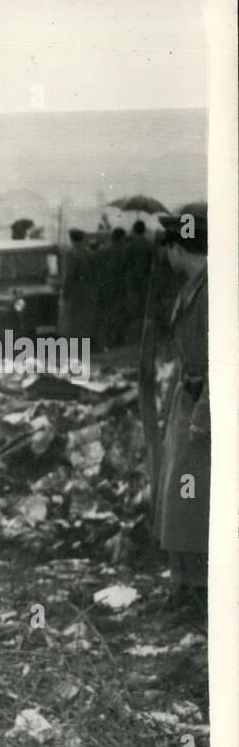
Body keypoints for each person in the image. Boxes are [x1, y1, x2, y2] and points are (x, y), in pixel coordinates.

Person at [151, 203, 208, 607]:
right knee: (179, 494)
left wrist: (202, 418)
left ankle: (198, 586)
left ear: (178, 247)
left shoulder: (211, 291)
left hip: (202, 407)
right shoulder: (195, 286)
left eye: (168, 248)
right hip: (186, 401)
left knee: (191, 496)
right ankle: (184, 581)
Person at [59, 229, 98, 341]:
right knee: (85, 320)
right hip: (88, 290)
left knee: (72, 323)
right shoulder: (90, 252)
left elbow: (69, 275)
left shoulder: (71, 253)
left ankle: (75, 349)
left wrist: (65, 292)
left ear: (71, 239)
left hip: (75, 292)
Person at [93, 226, 128, 350]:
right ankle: (115, 340)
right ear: (120, 237)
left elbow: (97, 267)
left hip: (104, 286)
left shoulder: (103, 250)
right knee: (117, 313)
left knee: (103, 315)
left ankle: (103, 342)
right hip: (118, 286)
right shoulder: (124, 250)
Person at [123, 219, 156, 342]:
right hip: (145, 279)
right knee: (143, 306)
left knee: (131, 306)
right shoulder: (149, 244)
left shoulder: (129, 244)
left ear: (134, 230)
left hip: (131, 279)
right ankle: (142, 335)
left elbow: (125, 261)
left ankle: (132, 335)